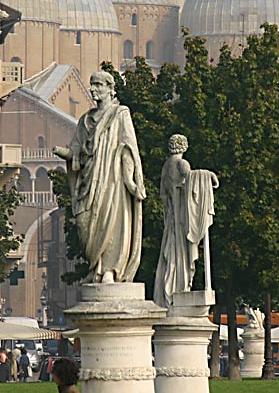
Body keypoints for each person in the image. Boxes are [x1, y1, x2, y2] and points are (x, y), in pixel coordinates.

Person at [54, 71, 145, 284]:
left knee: (112, 222)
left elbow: (128, 148)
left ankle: (110, 270)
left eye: (98, 85)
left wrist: (131, 181)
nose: (93, 89)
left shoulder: (120, 114)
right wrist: (63, 152)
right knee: (84, 225)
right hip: (89, 181)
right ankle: (96, 267)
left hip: (112, 181)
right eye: (92, 84)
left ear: (110, 89)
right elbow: (76, 150)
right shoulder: (85, 121)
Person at [154, 134, 219, 307]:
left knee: (172, 253)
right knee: (181, 255)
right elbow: (192, 181)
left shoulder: (166, 166)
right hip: (182, 216)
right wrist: (208, 175)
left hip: (171, 217)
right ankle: (180, 286)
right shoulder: (181, 164)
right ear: (184, 146)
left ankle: (172, 287)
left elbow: (162, 193)